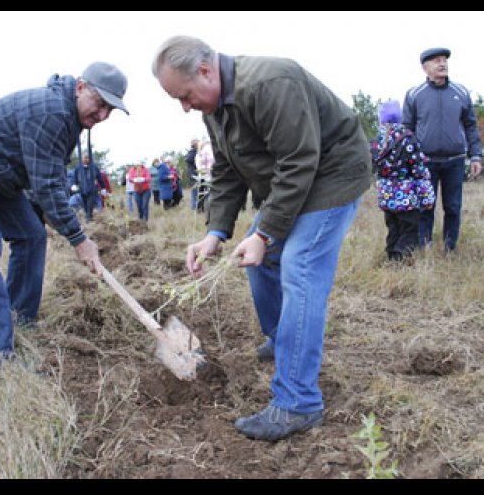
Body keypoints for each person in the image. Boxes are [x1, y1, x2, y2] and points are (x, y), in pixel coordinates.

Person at [153, 35, 372, 441]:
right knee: (256, 260)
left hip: (331, 176)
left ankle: (297, 402)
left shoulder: (271, 82)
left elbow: (299, 161)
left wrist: (266, 232)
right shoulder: (214, 109)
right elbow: (227, 171)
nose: (185, 107)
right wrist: (215, 234)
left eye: (185, 96)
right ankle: (284, 339)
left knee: (298, 266)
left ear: (205, 70)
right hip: (293, 182)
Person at [0, 61, 129, 373]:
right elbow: (48, 185)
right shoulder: (51, 110)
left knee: (32, 235)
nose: (103, 115)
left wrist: (48, 215)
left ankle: (18, 320)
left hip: (0, 176)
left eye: (110, 110)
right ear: (80, 87)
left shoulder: (69, 118)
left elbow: (45, 175)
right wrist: (79, 239)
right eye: (100, 103)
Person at [403, 47, 483, 253]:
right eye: (437, 60)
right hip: (424, 162)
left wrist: (475, 156)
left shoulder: (461, 92)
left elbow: (471, 125)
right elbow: (407, 129)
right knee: (425, 207)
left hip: (455, 160)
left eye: (445, 60)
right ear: (425, 67)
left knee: (453, 207)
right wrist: (408, 160)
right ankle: (424, 246)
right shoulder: (414, 94)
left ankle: (450, 248)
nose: (442, 64)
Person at [370, 100, 435, 262]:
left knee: (393, 227)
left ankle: (391, 254)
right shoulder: (407, 138)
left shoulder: (377, 142)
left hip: (386, 194)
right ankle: (401, 257)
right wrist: (425, 193)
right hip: (406, 196)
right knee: (409, 228)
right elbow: (418, 168)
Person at [74, 152, 108, 221]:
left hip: (92, 189)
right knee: (85, 205)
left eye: (88, 158)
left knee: (90, 204)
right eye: (85, 158)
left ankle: (88, 219)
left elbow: (100, 177)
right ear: (82, 159)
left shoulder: (94, 167)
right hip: (82, 189)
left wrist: (103, 187)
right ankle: (89, 217)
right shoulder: (78, 168)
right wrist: (74, 184)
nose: (87, 159)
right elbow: (75, 178)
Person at [184, 138, 200, 210]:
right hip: (194, 175)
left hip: (194, 174)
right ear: (195, 144)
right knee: (195, 190)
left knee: (196, 190)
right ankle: (194, 206)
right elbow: (190, 160)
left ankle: (196, 206)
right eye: (198, 143)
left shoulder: (192, 152)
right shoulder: (193, 152)